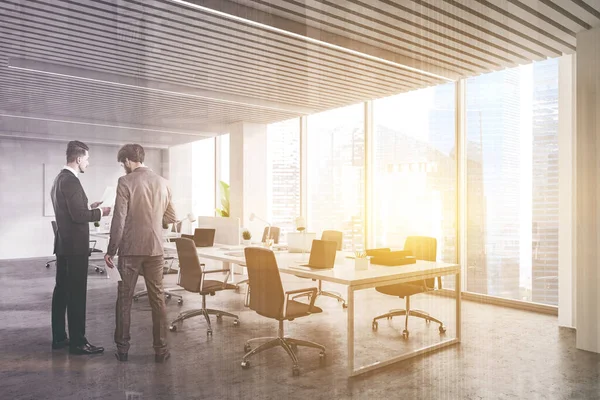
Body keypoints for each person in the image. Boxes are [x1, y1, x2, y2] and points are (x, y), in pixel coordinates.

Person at [104, 144, 176, 363]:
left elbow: (119, 219)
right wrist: (154, 220)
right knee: (158, 299)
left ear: (127, 161)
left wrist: (111, 250)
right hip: (156, 250)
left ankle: (123, 349)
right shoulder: (164, 182)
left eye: (122, 164)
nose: (122, 168)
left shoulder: (125, 182)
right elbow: (171, 217)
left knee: (124, 299)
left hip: (131, 250)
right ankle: (161, 350)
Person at [51, 140, 111, 355]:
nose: (88, 162)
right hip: (75, 247)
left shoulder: (59, 179)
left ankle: (59, 337)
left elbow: (71, 211)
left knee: (62, 291)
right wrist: (101, 212)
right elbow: (78, 216)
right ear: (78, 159)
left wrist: (89, 207)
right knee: (76, 294)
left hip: (63, 245)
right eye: (87, 158)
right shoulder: (72, 181)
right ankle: (78, 342)